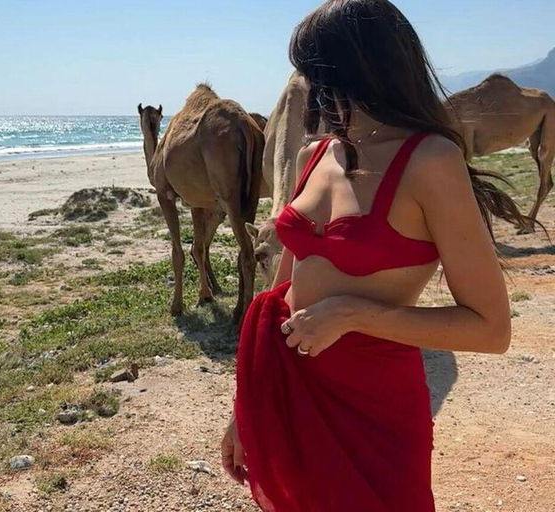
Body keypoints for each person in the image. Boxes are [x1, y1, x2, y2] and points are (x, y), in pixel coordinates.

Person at [220, 1, 528, 510]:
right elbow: (285, 285)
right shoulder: (314, 154)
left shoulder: (431, 161)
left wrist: (353, 314)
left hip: (373, 406)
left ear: (365, 69)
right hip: (290, 384)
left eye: (321, 75)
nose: (313, 93)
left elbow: (491, 329)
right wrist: (246, 408)